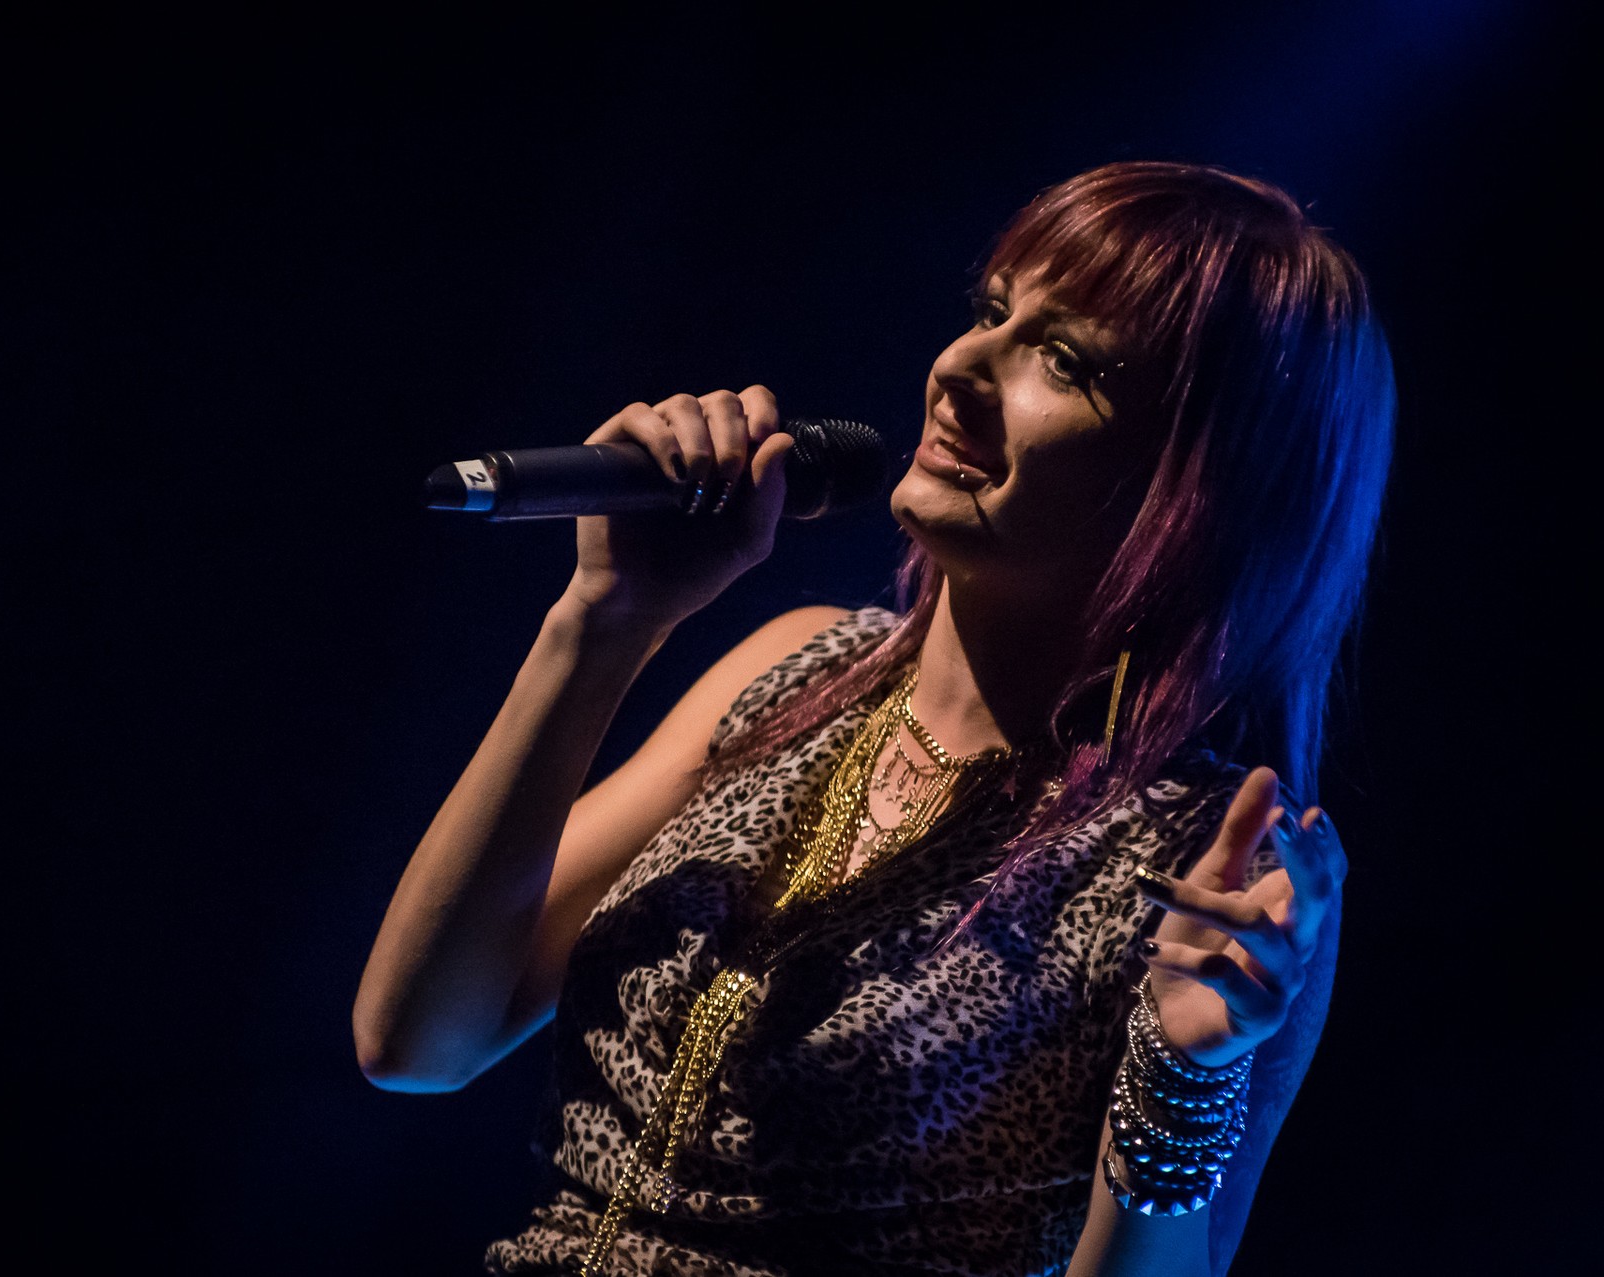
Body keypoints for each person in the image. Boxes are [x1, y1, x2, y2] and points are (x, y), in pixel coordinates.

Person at [353, 161, 1395, 1277]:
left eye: (1064, 360)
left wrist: (1182, 1080)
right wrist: (605, 622)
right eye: (991, 310)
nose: (960, 369)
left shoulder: (1208, 862)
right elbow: (416, 1038)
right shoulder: (799, 665)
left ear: (1196, 488)